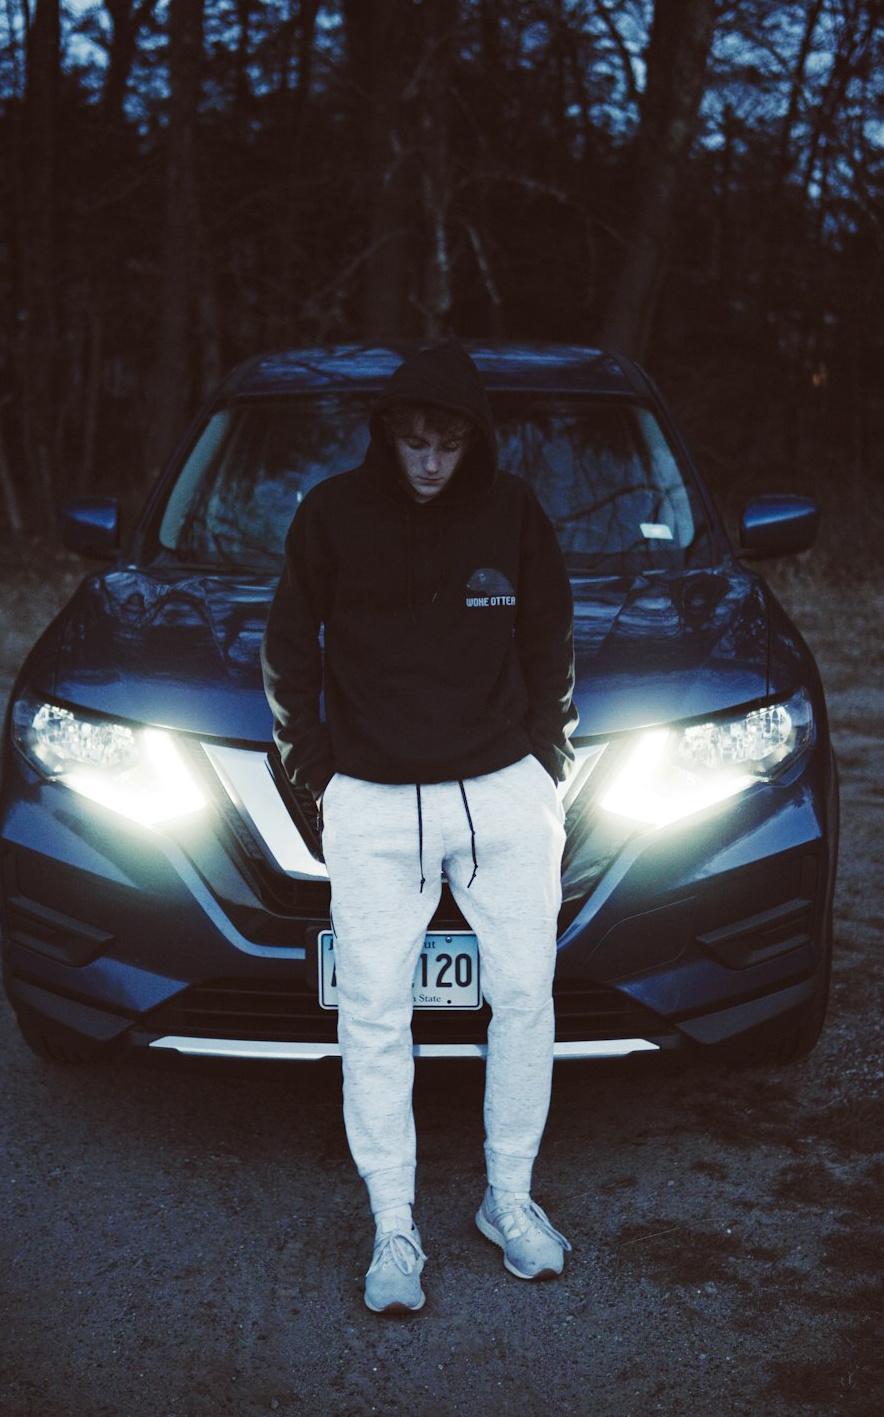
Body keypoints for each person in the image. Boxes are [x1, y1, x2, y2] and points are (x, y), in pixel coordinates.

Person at [261, 340, 577, 1313]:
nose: (429, 462)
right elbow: (286, 652)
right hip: (373, 796)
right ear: (390, 435)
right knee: (372, 1011)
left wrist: (544, 763)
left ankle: (509, 1200)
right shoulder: (332, 515)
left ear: (471, 440)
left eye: (447, 444)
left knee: (523, 995)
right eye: (415, 442)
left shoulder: (514, 512)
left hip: (499, 793)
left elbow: (550, 640)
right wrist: (317, 779)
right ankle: (393, 1227)